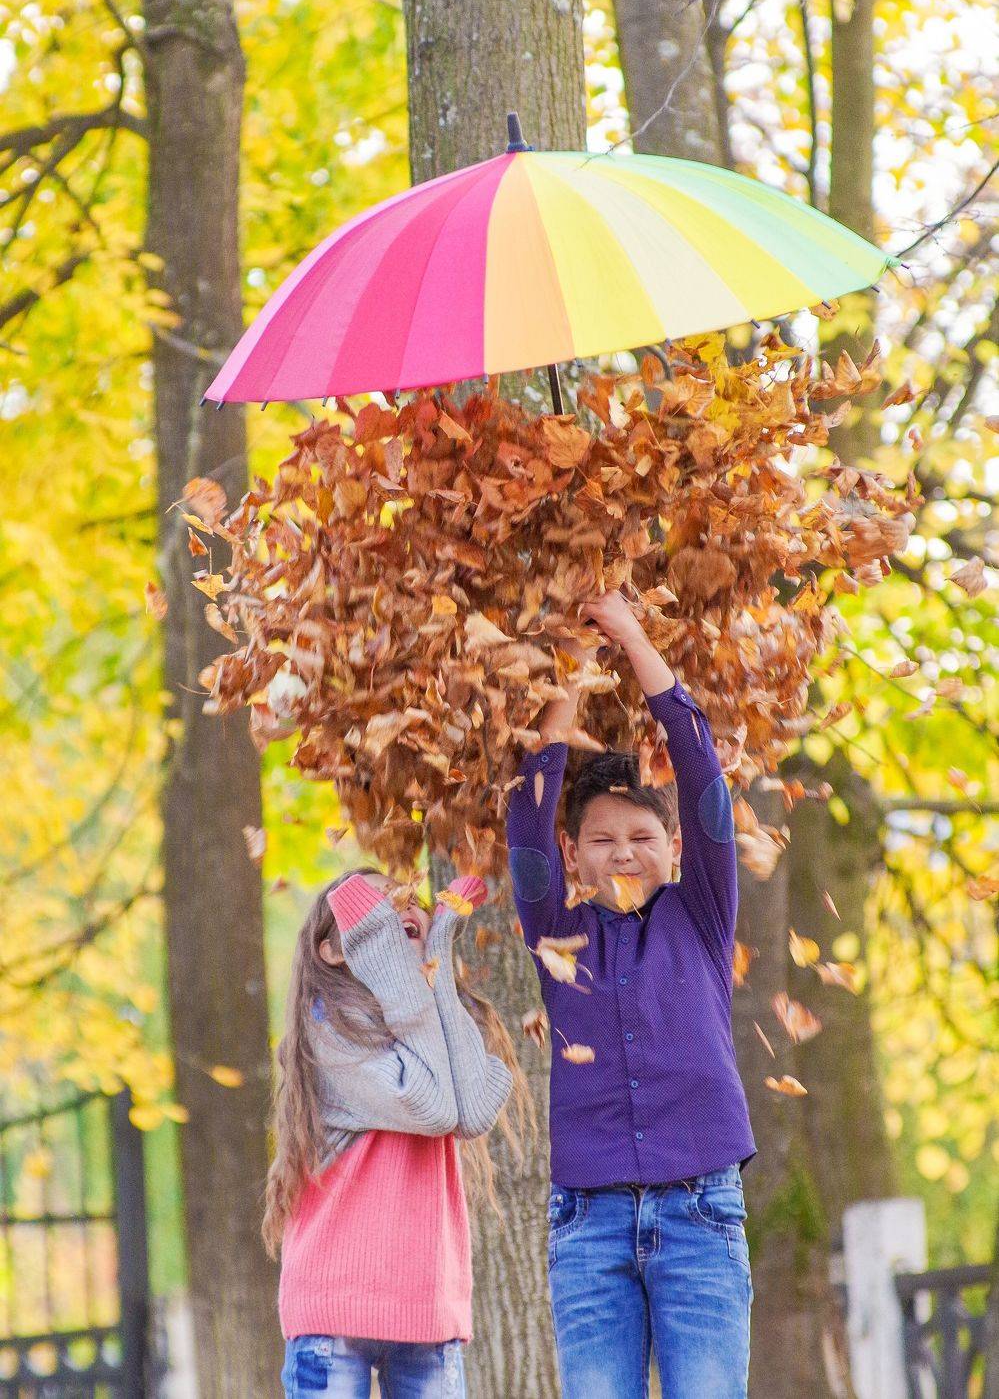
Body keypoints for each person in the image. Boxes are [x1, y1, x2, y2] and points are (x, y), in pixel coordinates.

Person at [506, 588, 756, 1399]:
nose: (621, 853)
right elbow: (525, 818)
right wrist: (575, 671)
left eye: (641, 837)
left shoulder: (701, 912)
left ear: (674, 847)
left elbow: (701, 771)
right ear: (572, 854)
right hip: (589, 1225)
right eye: (601, 839)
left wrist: (631, 638)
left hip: (700, 1212)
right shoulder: (555, 932)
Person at [263, 867, 524, 1398]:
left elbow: (473, 1111)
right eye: (375, 913)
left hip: (426, 1308)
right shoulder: (327, 1029)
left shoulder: (437, 1019)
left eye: (410, 902)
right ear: (334, 951)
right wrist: (397, 962)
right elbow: (432, 1108)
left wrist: (438, 960)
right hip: (336, 1308)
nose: (400, 909)